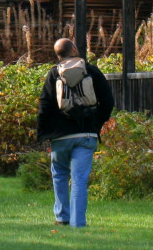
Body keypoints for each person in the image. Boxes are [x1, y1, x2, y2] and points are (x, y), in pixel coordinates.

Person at [36, 37, 115, 228]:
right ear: (74, 49)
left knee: (59, 175)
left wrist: (44, 133)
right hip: (86, 134)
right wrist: (96, 122)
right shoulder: (91, 71)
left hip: (61, 136)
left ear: (58, 54)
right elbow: (108, 101)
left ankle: (62, 217)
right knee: (79, 180)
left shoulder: (54, 73)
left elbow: (45, 105)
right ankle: (78, 223)